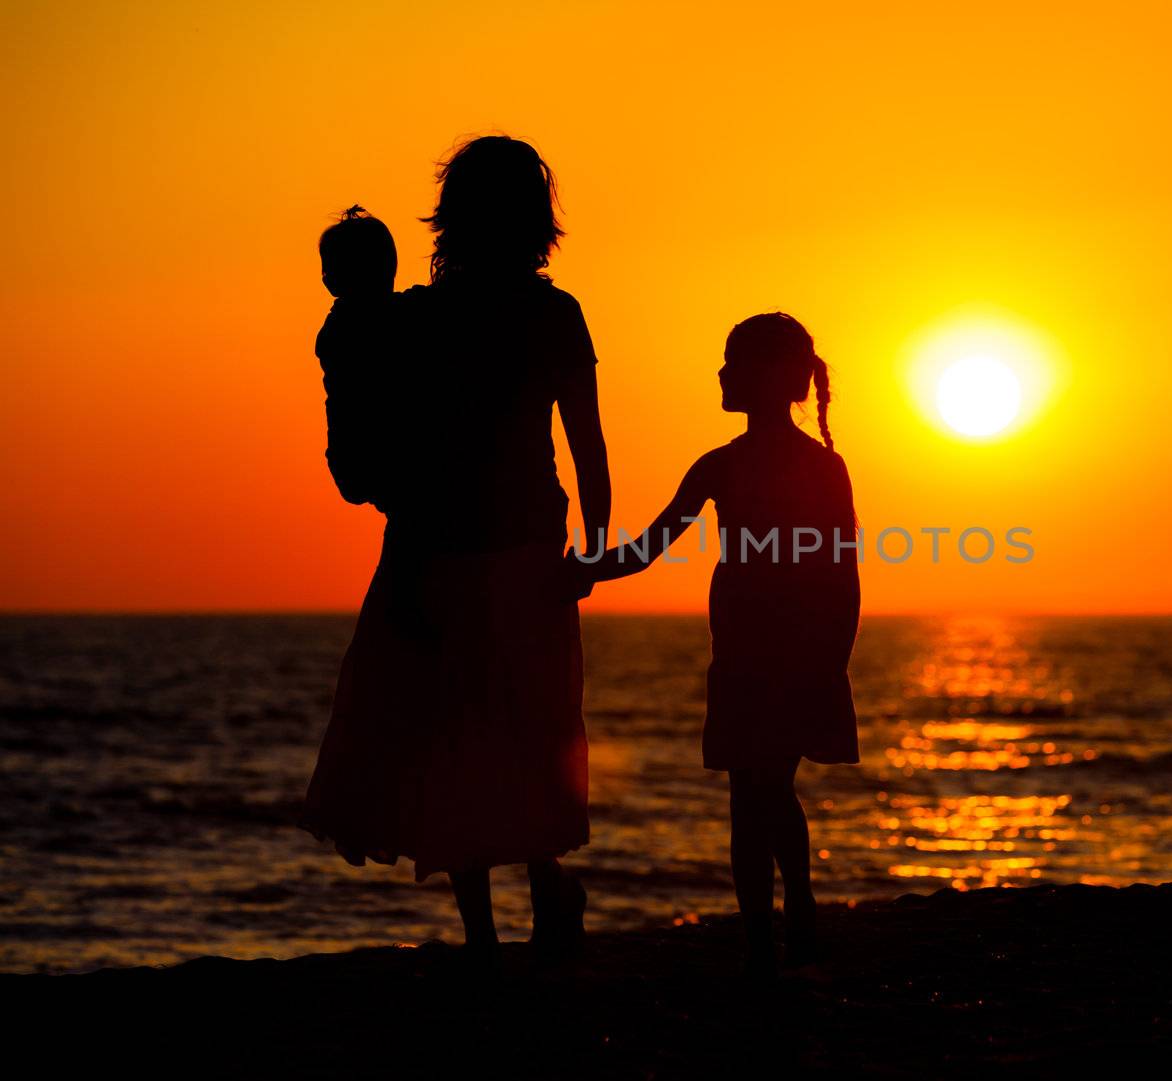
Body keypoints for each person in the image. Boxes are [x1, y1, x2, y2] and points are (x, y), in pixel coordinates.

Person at [299, 136, 610, 976]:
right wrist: (593, 547)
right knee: (528, 724)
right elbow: (587, 445)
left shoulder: (419, 316)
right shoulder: (553, 313)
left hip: (439, 544)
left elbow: (372, 445)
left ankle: (488, 931)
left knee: (456, 731)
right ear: (537, 217)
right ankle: (544, 890)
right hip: (520, 545)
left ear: (450, 218)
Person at [573, 312, 860, 978]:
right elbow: (650, 545)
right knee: (756, 790)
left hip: (792, 653)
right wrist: (584, 570)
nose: (723, 373)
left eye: (734, 363)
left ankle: (782, 923)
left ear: (769, 378)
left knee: (760, 788)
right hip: (742, 653)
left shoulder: (817, 468)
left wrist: (831, 661)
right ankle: (775, 926)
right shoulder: (721, 465)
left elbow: (842, 571)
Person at [315, 205, 398, 509]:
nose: (324, 277)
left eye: (330, 267)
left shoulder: (346, 325)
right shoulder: (343, 328)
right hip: (358, 452)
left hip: (360, 453)